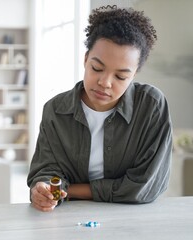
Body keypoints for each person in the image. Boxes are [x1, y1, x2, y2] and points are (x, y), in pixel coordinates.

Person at [27, 5, 172, 212]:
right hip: (70, 218)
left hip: (132, 217)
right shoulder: (55, 110)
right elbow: (47, 171)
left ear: (134, 74)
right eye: (96, 68)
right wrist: (43, 189)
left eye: (121, 76)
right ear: (86, 59)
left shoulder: (151, 106)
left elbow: (145, 186)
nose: (105, 82)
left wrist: (74, 190)